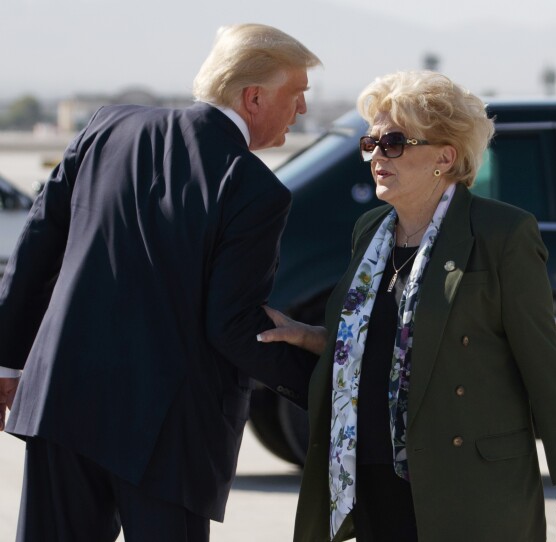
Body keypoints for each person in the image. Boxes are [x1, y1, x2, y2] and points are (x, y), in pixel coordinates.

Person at [0, 23, 321, 541]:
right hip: (169, 434)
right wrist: (324, 389)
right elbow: (232, 326)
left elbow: (38, 244)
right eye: (298, 94)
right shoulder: (254, 188)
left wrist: (7, 359)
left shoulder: (107, 126)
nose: (302, 109)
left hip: (62, 402)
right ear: (255, 97)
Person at [256, 70, 556, 542]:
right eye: (370, 142)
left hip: (468, 483)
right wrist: (305, 334)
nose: (376, 155)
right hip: (373, 474)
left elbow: (542, 364)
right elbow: (374, 344)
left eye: (393, 142)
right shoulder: (369, 232)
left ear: (445, 156)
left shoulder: (503, 234)